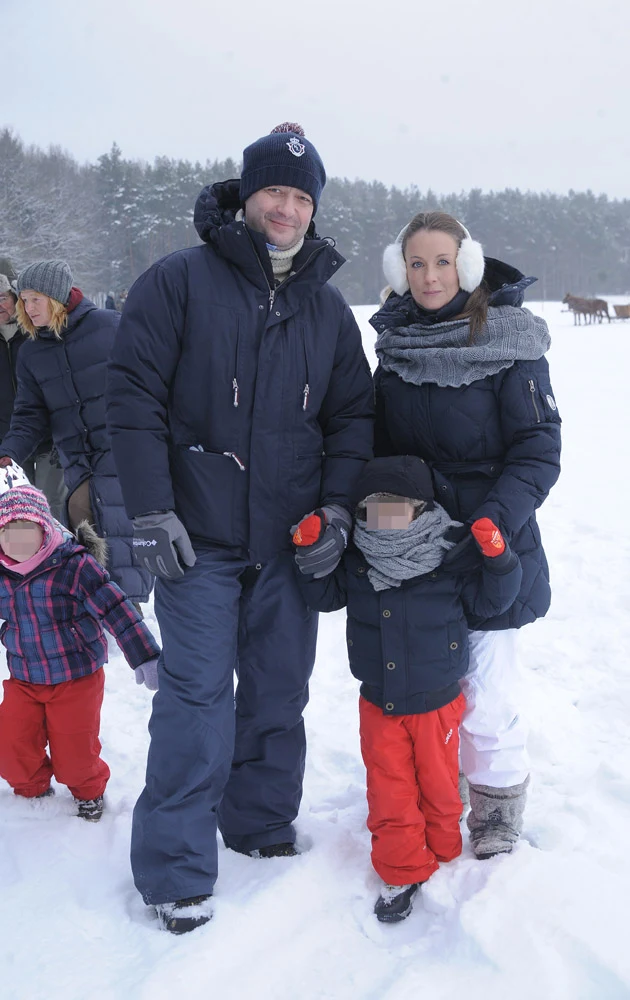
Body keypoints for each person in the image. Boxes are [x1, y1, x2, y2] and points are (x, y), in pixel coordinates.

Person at [106, 122, 374, 933]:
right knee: (193, 700)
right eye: (275, 192)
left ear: (312, 208)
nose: (286, 208)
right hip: (197, 543)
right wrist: (150, 508)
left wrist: (333, 509)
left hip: (288, 545)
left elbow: (351, 418)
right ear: (246, 194)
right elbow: (132, 396)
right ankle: (177, 870)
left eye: (301, 196)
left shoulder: (327, 309)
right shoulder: (178, 281)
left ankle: (257, 823)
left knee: (278, 692)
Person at [371, 212, 561, 860]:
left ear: (468, 265)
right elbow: (377, 449)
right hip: (417, 550)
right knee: (434, 685)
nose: (429, 276)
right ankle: (438, 789)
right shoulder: (395, 353)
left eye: (442, 262)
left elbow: (539, 449)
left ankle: (498, 809)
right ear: (400, 272)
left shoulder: (510, 342)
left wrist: (496, 521)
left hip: (492, 546)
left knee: (490, 691)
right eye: (416, 264)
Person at [295, 455, 522, 920]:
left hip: (439, 703)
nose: (383, 519)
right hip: (378, 703)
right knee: (388, 790)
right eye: (372, 510)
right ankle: (400, 868)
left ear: (421, 508)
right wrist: (309, 554)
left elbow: (491, 601)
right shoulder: (357, 560)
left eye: (395, 508)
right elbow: (323, 594)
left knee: (440, 789)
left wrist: (499, 560)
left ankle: (442, 849)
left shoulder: (451, 555)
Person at [0, 473, 160, 822]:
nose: (18, 540)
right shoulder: (3, 572)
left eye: (27, 530)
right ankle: (31, 790)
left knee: (74, 750)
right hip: (25, 678)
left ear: (45, 530)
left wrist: (144, 655)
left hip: (76, 678)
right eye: (8, 532)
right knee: (11, 743)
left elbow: (115, 607)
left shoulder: (72, 565)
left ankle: (88, 792)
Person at [0, 260, 153, 607]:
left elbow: (150, 383)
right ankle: (100, 604)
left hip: (121, 448)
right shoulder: (32, 352)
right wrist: (8, 451)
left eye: (35, 299)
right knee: (82, 520)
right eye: (23, 300)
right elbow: (28, 415)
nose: (27, 308)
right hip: (77, 458)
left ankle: (125, 610)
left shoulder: (110, 327)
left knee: (119, 524)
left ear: (56, 296)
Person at [0, 273, 67, 523]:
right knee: (19, 505)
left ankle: (59, 554)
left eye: (2, 298)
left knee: (53, 502)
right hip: (9, 440)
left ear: (14, 298)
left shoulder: (37, 331)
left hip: (51, 437)